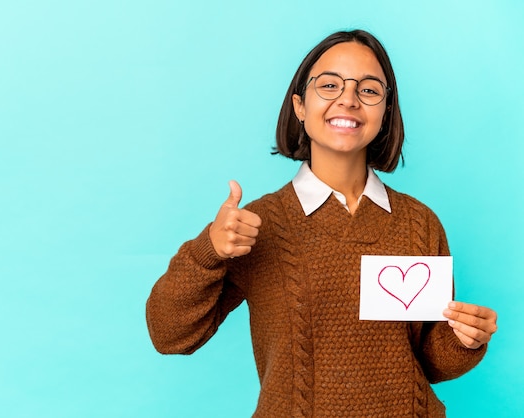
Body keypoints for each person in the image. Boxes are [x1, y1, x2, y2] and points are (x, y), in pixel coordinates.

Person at [146, 29, 498, 417]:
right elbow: (169, 335)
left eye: (368, 90)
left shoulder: (420, 223)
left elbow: (428, 363)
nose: (348, 99)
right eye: (330, 85)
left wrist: (464, 339)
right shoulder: (257, 225)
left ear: (385, 110)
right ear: (299, 105)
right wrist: (208, 250)